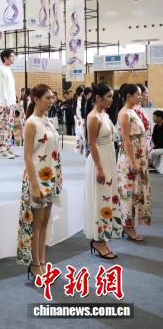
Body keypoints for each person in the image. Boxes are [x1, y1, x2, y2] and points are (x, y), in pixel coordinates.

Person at [16, 85, 62, 281]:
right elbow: (27, 156)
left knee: (44, 221)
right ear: (36, 99)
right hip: (37, 178)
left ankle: (42, 261)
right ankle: (35, 264)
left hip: (51, 177)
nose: (51, 101)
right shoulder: (31, 123)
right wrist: (35, 186)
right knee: (36, 223)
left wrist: (58, 176)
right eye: (47, 98)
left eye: (52, 98)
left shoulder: (49, 121)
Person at [84, 84, 121, 259]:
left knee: (108, 197)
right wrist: (99, 168)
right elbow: (91, 144)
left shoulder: (104, 115)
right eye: (108, 96)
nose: (111, 100)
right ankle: (98, 241)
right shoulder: (93, 117)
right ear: (97, 98)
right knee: (101, 199)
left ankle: (103, 239)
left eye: (111, 96)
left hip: (109, 159)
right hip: (99, 162)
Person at [115, 84, 151, 242]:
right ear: (129, 96)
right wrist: (133, 162)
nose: (140, 96)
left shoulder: (133, 111)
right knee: (128, 191)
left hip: (139, 156)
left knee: (136, 191)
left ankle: (130, 224)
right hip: (130, 159)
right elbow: (126, 140)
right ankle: (127, 226)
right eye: (138, 94)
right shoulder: (124, 113)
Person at [0, 49, 17, 158]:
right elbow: (2, 87)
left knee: (9, 127)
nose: (14, 58)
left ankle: (8, 148)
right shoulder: (1, 69)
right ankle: (2, 149)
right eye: (12, 56)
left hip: (11, 102)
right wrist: (5, 103)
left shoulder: (8, 69)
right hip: (5, 103)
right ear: (5, 58)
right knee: (3, 127)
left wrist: (13, 101)